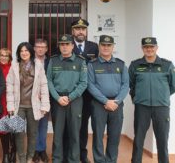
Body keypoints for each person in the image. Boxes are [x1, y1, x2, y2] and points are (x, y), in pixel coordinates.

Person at [129, 37, 175, 163]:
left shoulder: (167, 65)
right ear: (142, 48)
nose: (149, 49)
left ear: (156, 48)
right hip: (141, 107)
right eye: (146, 47)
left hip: (161, 107)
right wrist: (137, 98)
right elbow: (131, 85)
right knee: (138, 139)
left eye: (151, 47)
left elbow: (173, 86)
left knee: (162, 140)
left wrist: (161, 96)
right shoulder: (135, 65)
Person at [87, 35, 129, 163]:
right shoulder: (92, 64)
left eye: (108, 45)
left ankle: (111, 160)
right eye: (103, 45)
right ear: (99, 46)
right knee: (98, 136)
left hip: (117, 105)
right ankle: (99, 161)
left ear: (113, 47)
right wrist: (105, 101)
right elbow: (90, 85)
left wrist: (116, 101)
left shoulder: (120, 64)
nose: (105, 47)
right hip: (99, 104)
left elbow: (125, 85)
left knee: (114, 136)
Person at [6, 42, 50, 163]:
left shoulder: (38, 65)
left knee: (33, 133)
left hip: (33, 106)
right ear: (19, 53)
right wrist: (10, 105)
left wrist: (45, 105)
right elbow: (9, 86)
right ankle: (21, 158)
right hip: (18, 106)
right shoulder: (14, 66)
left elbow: (43, 86)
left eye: (26, 51)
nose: (24, 53)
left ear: (31, 52)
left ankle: (30, 157)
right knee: (18, 133)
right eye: (21, 51)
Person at [47, 34, 87, 163]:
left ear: (72, 46)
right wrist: (58, 98)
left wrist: (70, 97)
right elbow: (49, 81)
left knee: (74, 133)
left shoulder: (80, 61)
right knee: (58, 133)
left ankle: (73, 159)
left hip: (74, 100)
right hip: (57, 100)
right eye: (62, 44)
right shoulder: (53, 60)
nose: (64, 47)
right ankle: (57, 159)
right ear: (59, 46)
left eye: (67, 44)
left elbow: (83, 83)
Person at [71, 18, 98, 163]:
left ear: (86, 31)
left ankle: (82, 153)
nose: (80, 31)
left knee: (83, 125)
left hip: (88, 94)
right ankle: (70, 153)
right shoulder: (67, 45)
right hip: (71, 92)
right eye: (77, 28)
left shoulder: (94, 47)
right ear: (73, 31)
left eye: (83, 29)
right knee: (70, 123)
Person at [33, 39, 50, 163]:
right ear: (34, 48)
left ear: (46, 49)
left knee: (43, 125)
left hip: (47, 98)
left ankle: (42, 150)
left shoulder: (51, 62)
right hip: (33, 98)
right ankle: (34, 150)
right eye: (38, 46)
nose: (40, 49)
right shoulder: (28, 61)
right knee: (34, 126)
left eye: (42, 47)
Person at [0, 48, 16, 163]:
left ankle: (13, 151)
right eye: (2, 55)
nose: (4, 57)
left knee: (13, 128)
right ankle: (5, 153)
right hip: (0, 102)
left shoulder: (14, 69)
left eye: (6, 55)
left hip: (12, 101)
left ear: (10, 58)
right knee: (3, 128)